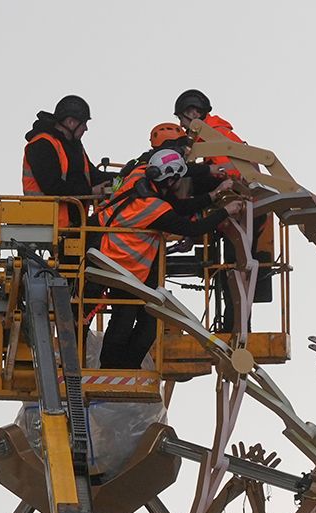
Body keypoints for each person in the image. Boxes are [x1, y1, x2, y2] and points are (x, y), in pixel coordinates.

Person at [95, 148, 243, 369]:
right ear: (169, 179)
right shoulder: (153, 208)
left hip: (118, 260)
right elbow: (190, 227)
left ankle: (126, 367)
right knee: (125, 319)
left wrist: (214, 194)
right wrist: (225, 211)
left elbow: (177, 206)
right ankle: (114, 368)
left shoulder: (139, 175)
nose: (177, 185)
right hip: (121, 262)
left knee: (143, 319)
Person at [174, 89, 269, 332]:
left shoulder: (213, 137)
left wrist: (183, 222)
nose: (182, 127)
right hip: (244, 210)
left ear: (193, 114)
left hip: (242, 210)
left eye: (183, 121)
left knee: (234, 271)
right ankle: (235, 328)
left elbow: (222, 176)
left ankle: (235, 330)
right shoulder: (218, 135)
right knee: (232, 271)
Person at [22, 94, 109, 226]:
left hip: (73, 223)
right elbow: (53, 187)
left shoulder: (74, 145)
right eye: (84, 123)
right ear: (71, 122)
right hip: (48, 222)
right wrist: (90, 191)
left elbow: (93, 176)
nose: (86, 128)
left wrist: (127, 176)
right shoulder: (42, 145)